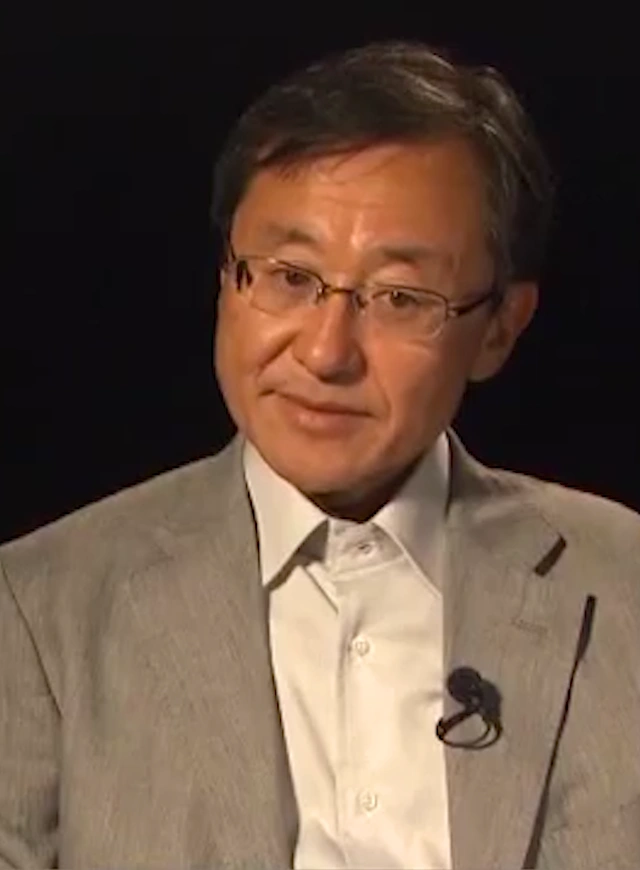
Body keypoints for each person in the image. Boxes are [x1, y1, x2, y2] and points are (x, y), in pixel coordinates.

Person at [1, 40, 639, 870]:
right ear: (227, 279)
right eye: (290, 277)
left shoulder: (621, 582)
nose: (326, 352)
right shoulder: (40, 609)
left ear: (499, 329)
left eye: (400, 297)